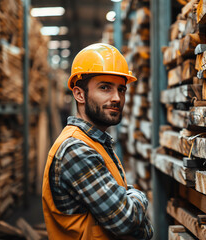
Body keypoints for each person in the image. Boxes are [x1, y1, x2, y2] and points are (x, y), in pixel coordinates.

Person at [42, 43, 153, 240]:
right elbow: (126, 220)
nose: (117, 98)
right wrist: (141, 197)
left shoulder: (96, 142)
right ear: (79, 94)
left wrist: (129, 199)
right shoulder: (75, 150)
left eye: (121, 89)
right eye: (105, 88)